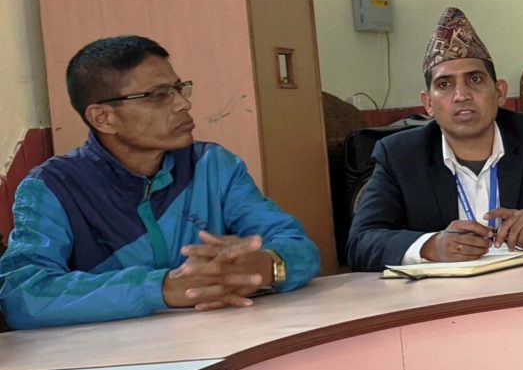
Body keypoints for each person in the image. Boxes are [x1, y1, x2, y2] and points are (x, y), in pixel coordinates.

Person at [0, 36, 318, 329]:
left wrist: (266, 266)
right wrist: (162, 289)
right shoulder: (53, 187)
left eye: (179, 88)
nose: (182, 104)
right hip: (114, 359)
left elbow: (298, 245)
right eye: (158, 95)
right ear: (103, 118)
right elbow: (22, 295)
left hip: (220, 339)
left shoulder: (212, 165)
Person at [347, 8, 523, 271]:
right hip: (443, 293)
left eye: (474, 79)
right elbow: (361, 241)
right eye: (445, 84)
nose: (461, 95)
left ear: (499, 92)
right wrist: (430, 246)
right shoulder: (399, 155)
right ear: (428, 104)